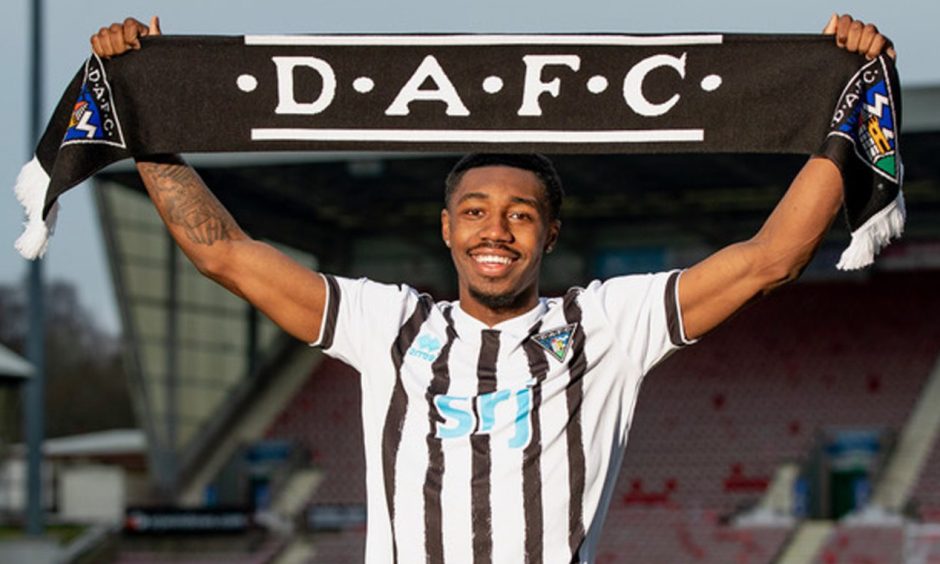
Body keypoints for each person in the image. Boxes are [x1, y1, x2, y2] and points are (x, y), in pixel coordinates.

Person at [91, 14, 894, 564]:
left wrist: (848, 108)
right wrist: (146, 118)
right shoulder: (389, 324)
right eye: (474, 211)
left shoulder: (607, 324)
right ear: (446, 229)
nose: (495, 231)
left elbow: (768, 260)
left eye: (519, 214)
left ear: (550, 233)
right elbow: (225, 253)